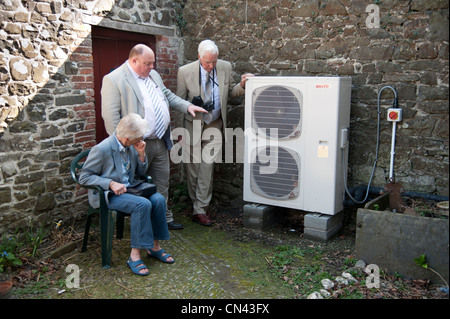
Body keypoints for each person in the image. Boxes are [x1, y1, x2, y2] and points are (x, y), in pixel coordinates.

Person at [101, 44, 207, 230]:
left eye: (153, 64)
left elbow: (167, 95)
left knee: (162, 183)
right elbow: (111, 119)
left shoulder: (153, 75)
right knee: (135, 186)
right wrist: (124, 146)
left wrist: (187, 106)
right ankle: (141, 226)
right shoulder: (114, 79)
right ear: (133, 60)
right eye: (147, 64)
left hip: (160, 140)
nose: (152, 68)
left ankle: (163, 220)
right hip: (135, 145)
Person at [79, 113, 174, 276]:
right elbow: (84, 177)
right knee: (142, 204)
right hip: (109, 195)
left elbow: (140, 172)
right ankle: (134, 255)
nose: (141, 140)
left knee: (158, 199)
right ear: (127, 138)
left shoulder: (131, 146)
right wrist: (110, 183)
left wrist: (142, 155)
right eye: (138, 138)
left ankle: (154, 247)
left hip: (130, 189)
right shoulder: (102, 149)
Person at [176, 39, 254, 226]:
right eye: (207, 62)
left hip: (215, 125)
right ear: (199, 58)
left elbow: (230, 93)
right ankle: (196, 204)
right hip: (192, 125)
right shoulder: (185, 72)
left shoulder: (225, 67)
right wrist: (179, 132)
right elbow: (178, 102)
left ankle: (200, 209)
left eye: (214, 62)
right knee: (193, 169)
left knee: (207, 167)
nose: (211, 66)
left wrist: (242, 85)